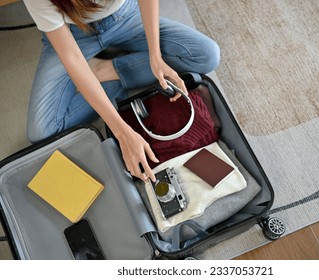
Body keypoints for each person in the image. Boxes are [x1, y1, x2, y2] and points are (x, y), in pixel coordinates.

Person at [22, 0, 220, 182]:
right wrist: (123, 132)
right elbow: (71, 56)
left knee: (207, 55)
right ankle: (101, 77)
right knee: (42, 132)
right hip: (73, 34)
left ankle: (105, 70)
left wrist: (155, 56)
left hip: (124, 16)